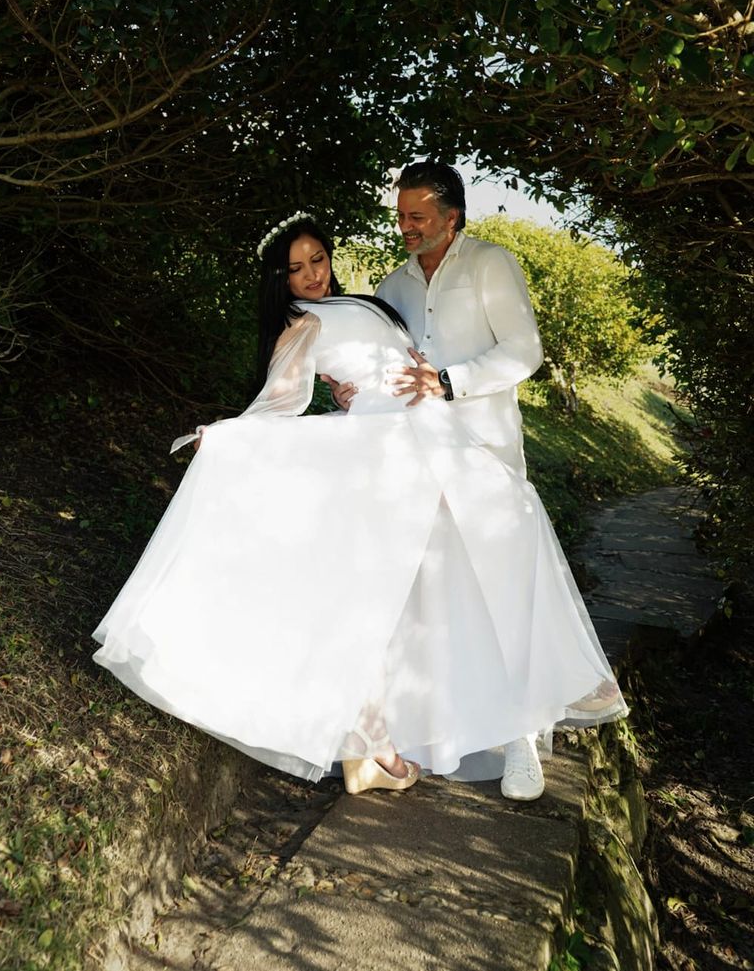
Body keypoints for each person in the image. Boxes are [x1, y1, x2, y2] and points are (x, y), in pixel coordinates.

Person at [92, 211, 627, 800]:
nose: (312, 274)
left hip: (431, 427)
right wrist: (225, 435)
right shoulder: (300, 322)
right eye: (296, 269)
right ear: (280, 280)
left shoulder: (363, 302)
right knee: (422, 568)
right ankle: (383, 737)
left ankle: (439, 724)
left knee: (499, 527)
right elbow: (280, 402)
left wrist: (356, 389)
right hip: (390, 443)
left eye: (317, 259)